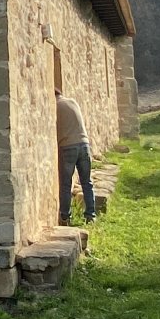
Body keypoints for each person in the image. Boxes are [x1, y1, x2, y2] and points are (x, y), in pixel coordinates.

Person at [56, 88, 96, 225]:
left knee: (66, 184)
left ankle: (65, 217)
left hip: (68, 146)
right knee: (87, 182)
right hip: (84, 144)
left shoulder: (55, 106)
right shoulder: (72, 101)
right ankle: (90, 215)